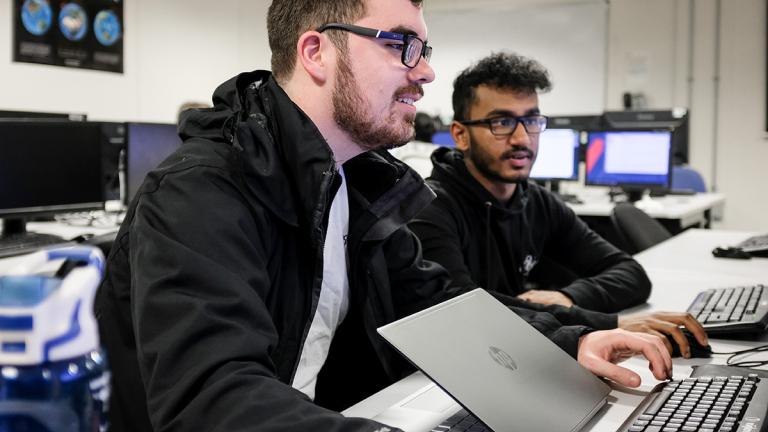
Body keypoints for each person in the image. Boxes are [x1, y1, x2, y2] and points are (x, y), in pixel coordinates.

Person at [95, 4, 673, 431]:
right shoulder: (201, 192)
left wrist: (573, 342)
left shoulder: (354, 183)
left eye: (425, 51)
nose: (424, 74)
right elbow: (211, 399)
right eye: (401, 44)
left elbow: (443, 304)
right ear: (316, 52)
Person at [409, 52, 708, 359]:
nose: (522, 138)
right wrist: (612, 323)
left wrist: (568, 296)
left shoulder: (536, 201)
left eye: (532, 121)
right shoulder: (431, 209)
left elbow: (630, 274)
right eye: (502, 122)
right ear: (460, 134)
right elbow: (461, 309)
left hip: (517, 355)